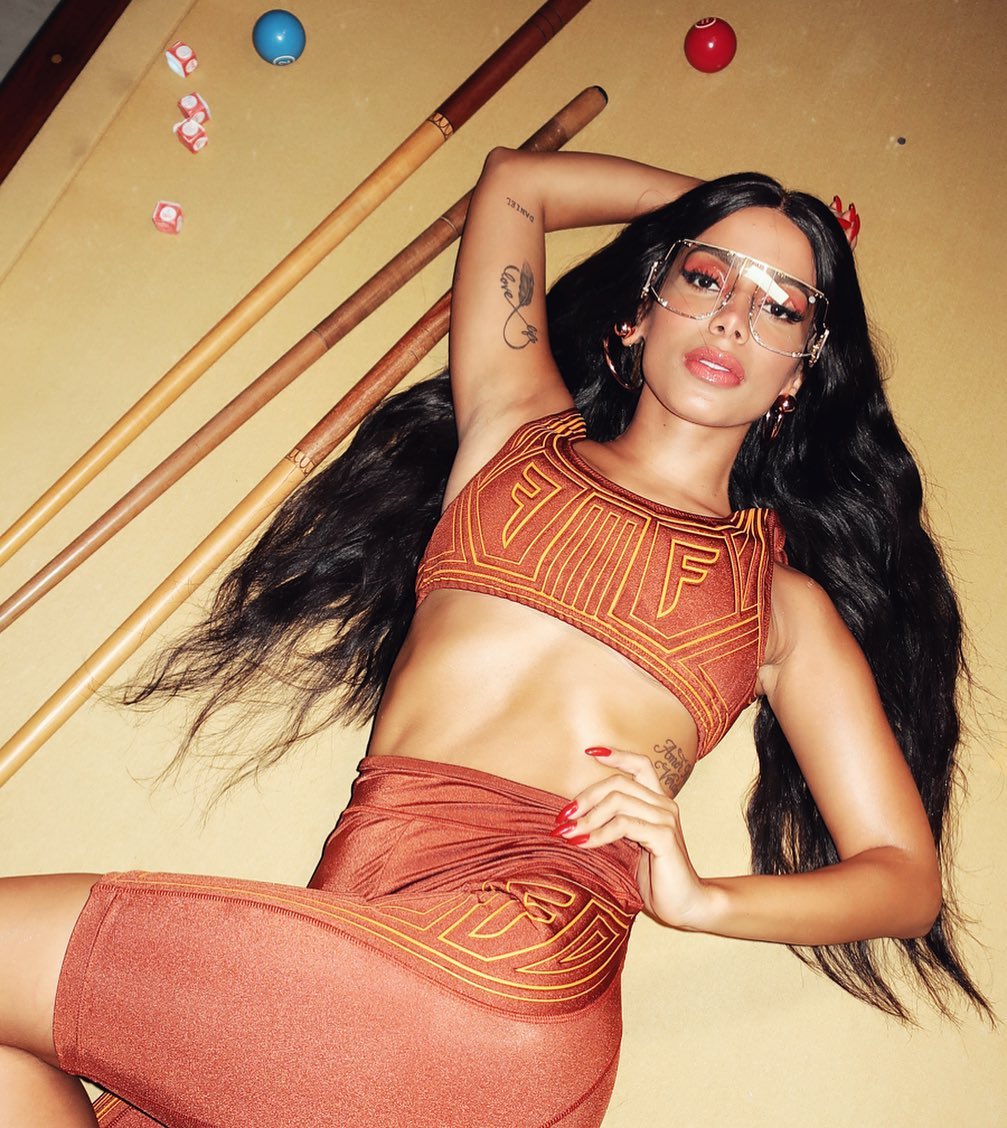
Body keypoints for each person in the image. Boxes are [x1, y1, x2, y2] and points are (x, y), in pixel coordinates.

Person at [0, 150, 992, 1126]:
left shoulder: (779, 607)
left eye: (780, 308)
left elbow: (902, 879)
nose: (733, 315)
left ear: (795, 378)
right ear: (636, 312)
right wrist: (724, 208)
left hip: (515, 970)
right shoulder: (513, 436)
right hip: (357, 954)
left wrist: (701, 901)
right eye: (704, 279)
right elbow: (519, 182)